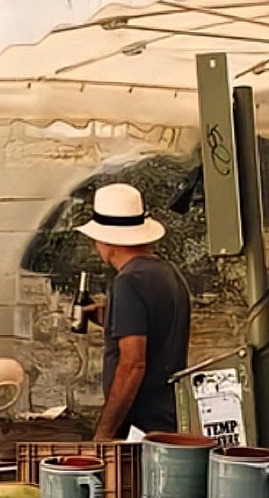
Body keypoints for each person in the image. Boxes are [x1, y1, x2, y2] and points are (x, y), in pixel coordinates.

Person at [76, 184, 192, 441]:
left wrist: (104, 432)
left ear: (107, 242)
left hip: (142, 427)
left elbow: (133, 364)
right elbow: (154, 326)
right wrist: (109, 319)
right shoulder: (169, 272)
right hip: (171, 417)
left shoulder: (128, 282)